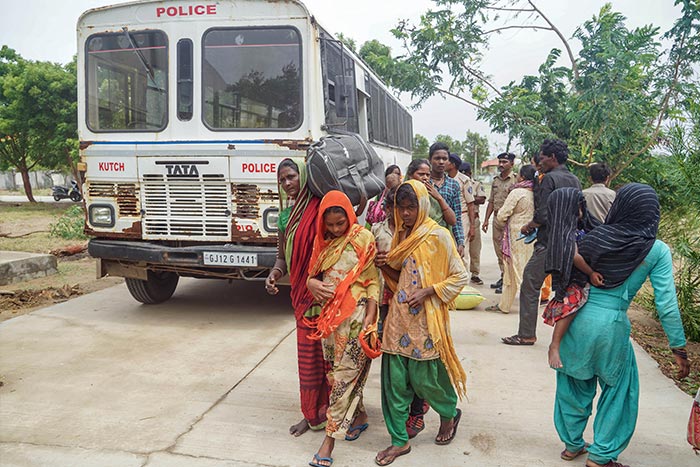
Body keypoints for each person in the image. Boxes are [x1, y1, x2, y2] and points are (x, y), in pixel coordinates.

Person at [553, 183, 690, 467]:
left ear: (620, 207)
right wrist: (678, 347)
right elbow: (666, 304)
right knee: (619, 390)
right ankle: (601, 456)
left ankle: (571, 445)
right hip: (612, 326)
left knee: (573, 385)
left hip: (576, 319)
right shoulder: (657, 250)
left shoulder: (595, 237)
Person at [374, 180, 468, 466]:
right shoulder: (401, 236)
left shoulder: (438, 236)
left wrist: (429, 291)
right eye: (401, 208)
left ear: (422, 206)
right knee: (394, 382)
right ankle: (399, 442)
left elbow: (460, 276)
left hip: (425, 321)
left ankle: (449, 412)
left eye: (411, 207)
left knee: (425, 379)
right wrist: (384, 264)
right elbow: (398, 276)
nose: (405, 214)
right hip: (398, 317)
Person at [306, 191, 380, 467]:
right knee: (336, 374)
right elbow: (312, 278)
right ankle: (359, 417)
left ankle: (328, 442)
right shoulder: (322, 242)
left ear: (350, 216)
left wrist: (371, 320)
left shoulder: (363, 238)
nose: (336, 229)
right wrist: (311, 284)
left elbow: (373, 280)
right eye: (331, 224)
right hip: (331, 322)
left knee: (342, 381)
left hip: (358, 317)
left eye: (341, 223)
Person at [264, 158, 329, 437]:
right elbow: (282, 257)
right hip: (302, 299)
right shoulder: (284, 218)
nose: (287, 183)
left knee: (333, 360)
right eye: (282, 180)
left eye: (291, 177)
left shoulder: (321, 210)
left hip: (325, 297)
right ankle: (312, 414)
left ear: (303, 177)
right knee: (308, 362)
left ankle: (342, 413)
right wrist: (275, 273)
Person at [502, 139, 581, 346]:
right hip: (570, 242)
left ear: (552, 157)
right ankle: (571, 337)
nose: (541, 161)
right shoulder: (574, 179)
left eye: (543, 157)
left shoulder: (549, 179)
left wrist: (530, 225)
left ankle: (526, 334)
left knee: (530, 283)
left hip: (549, 243)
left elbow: (544, 213)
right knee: (569, 288)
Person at [540, 188, 602, 369]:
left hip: (580, 276)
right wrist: (591, 272)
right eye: (579, 208)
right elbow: (574, 256)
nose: (582, 212)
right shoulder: (565, 231)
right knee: (572, 306)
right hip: (574, 279)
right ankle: (554, 345)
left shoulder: (577, 226)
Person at [485, 165, 536, 314]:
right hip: (531, 236)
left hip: (515, 235)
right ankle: (504, 305)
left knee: (517, 271)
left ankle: (529, 307)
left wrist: (502, 225)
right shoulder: (536, 192)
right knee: (516, 272)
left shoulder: (517, 192)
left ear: (522, 177)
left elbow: (502, 215)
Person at [482, 152, 518, 293]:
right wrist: (486, 220)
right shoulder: (496, 180)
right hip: (497, 219)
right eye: (500, 162)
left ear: (512, 164)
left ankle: (509, 281)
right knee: (498, 250)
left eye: (505, 162)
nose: (501, 165)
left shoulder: (515, 180)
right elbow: (491, 201)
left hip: (510, 220)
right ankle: (503, 276)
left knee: (509, 251)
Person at [428, 143, 465, 255]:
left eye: (444, 159)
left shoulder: (453, 185)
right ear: (430, 159)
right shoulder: (423, 182)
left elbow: (457, 218)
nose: (441, 162)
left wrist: (460, 242)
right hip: (424, 237)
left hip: (445, 237)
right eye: (437, 158)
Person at [406, 159, 457, 228]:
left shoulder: (432, 195)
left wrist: (439, 198)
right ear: (410, 176)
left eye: (428, 175)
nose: (425, 178)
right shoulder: (404, 195)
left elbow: (453, 221)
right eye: (421, 174)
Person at [446, 153, 476, 271]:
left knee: (462, 249)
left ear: (453, 164)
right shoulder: (444, 179)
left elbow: (471, 204)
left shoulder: (464, 180)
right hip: (447, 216)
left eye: (447, 160)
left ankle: (464, 280)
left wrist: (472, 226)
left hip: (461, 217)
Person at [460, 162, 487, 285]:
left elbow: (482, 199)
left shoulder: (476, 184)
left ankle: (475, 273)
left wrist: (468, 197)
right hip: (463, 218)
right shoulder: (458, 182)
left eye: (465, 173)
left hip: (474, 219)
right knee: (462, 249)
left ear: (469, 173)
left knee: (475, 249)